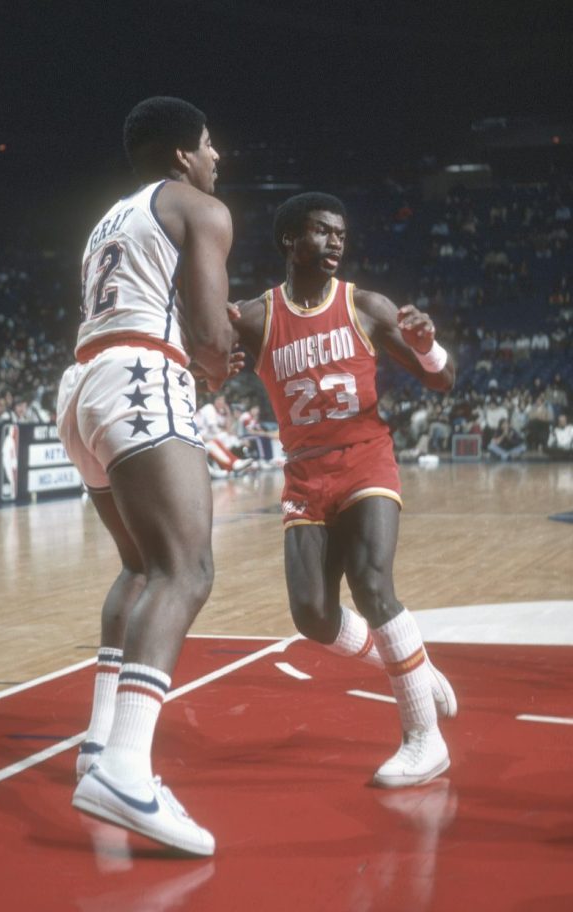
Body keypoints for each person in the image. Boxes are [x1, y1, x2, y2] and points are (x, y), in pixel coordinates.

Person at [56, 96, 234, 855]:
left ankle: (99, 741)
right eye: (207, 142)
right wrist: (226, 365)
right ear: (181, 156)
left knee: (137, 568)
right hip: (140, 372)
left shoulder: (108, 219)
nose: (217, 154)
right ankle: (126, 770)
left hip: (80, 387)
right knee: (185, 568)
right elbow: (210, 331)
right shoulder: (199, 206)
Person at [232, 193, 457, 788]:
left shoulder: (367, 306)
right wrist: (211, 362)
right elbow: (211, 353)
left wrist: (428, 341)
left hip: (365, 461)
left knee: (372, 581)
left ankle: (423, 738)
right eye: (322, 231)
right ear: (289, 240)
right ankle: (411, 664)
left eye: (340, 233)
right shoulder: (256, 318)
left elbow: (443, 380)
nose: (336, 241)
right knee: (311, 614)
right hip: (304, 472)